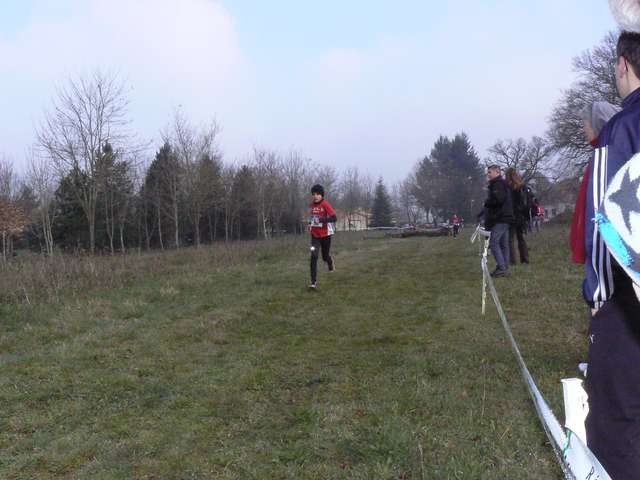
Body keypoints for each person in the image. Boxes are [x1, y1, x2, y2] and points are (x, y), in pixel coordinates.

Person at [581, 30, 640, 479]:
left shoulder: (620, 129)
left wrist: (599, 295)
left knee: (616, 424)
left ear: (622, 64)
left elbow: (607, 222)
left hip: (628, 301)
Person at [570, 101, 621, 264]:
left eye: (585, 124)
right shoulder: (602, 154)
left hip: (607, 253)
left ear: (598, 124)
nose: (583, 129)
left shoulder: (608, 157)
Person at [484, 165, 514, 277]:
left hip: (500, 218)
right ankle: (504, 267)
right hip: (505, 217)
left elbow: (498, 200)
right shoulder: (502, 184)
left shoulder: (497, 184)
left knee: (494, 242)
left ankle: (501, 268)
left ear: (497, 172)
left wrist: (487, 202)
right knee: (503, 244)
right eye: (488, 172)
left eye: (490, 172)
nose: (488, 174)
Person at [308, 184, 337, 290]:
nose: (315, 196)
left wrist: (321, 220)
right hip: (315, 235)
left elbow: (334, 218)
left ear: (322, 195)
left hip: (325, 235)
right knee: (314, 256)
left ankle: (330, 262)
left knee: (324, 256)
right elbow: (312, 218)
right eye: (314, 194)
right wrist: (310, 223)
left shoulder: (325, 204)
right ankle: (313, 282)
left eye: (318, 194)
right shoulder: (311, 206)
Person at [505, 168, 530, 264]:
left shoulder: (508, 187)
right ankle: (525, 259)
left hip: (511, 215)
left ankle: (512, 260)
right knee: (521, 238)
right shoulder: (522, 186)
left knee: (510, 239)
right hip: (520, 215)